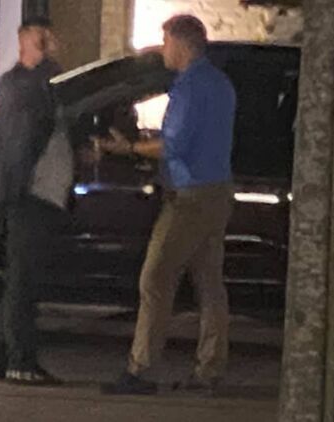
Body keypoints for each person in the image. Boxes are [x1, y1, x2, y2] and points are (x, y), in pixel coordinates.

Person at [97, 14, 237, 396]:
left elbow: (174, 145)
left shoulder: (189, 87)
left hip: (189, 197)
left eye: (166, 42)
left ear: (181, 43)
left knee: (155, 278)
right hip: (217, 191)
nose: (163, 50)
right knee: (210, 284)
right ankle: (210, 369)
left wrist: (128, 148)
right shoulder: (220, 84)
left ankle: (140, 368)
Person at [0, 17, 65, 385]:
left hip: (28, 191)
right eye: (44, 38)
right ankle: (20, 359)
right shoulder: (21, 85)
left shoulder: (36, 82)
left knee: (19, 278)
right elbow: (29, 131)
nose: (51, 43)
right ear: (28, 40)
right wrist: (50, 65)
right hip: (27, 192)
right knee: (22, 280)